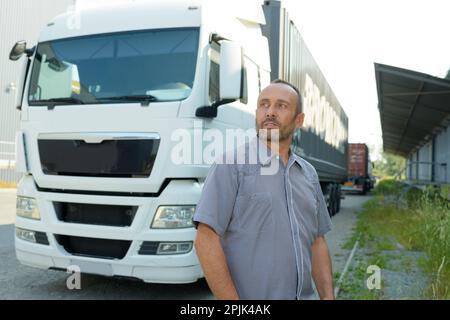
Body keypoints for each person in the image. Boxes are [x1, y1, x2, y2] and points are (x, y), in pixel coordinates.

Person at [193, 79, 334, 300]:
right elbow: (205, 239)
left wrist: (328, 297)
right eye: (264, 104)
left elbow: (317, 241)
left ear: (299, 120)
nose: (270, 112)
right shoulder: (231, 165)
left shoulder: (308, 173)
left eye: (281, 106)